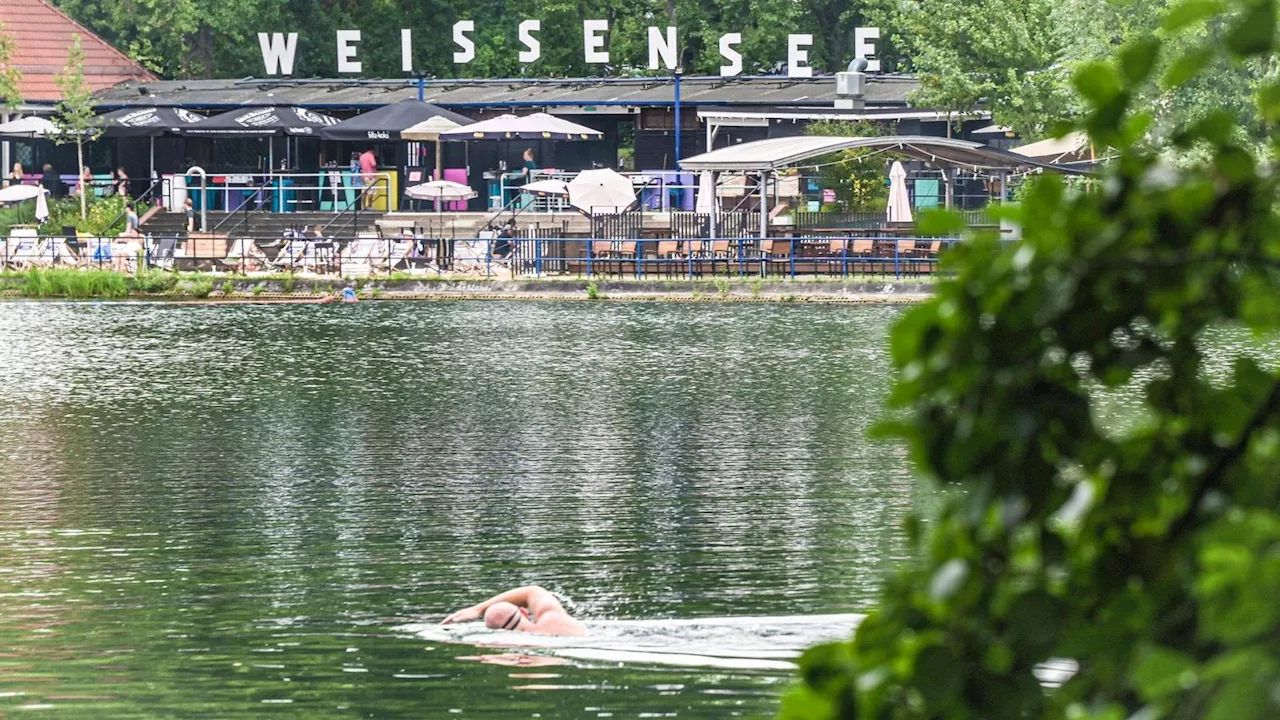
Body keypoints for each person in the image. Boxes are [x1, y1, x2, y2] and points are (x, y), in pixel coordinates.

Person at [441, 585, 587, 636]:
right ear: (523, 612)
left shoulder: (508, 647)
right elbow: (533, 590)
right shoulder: (553, 619)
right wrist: (478, 609)